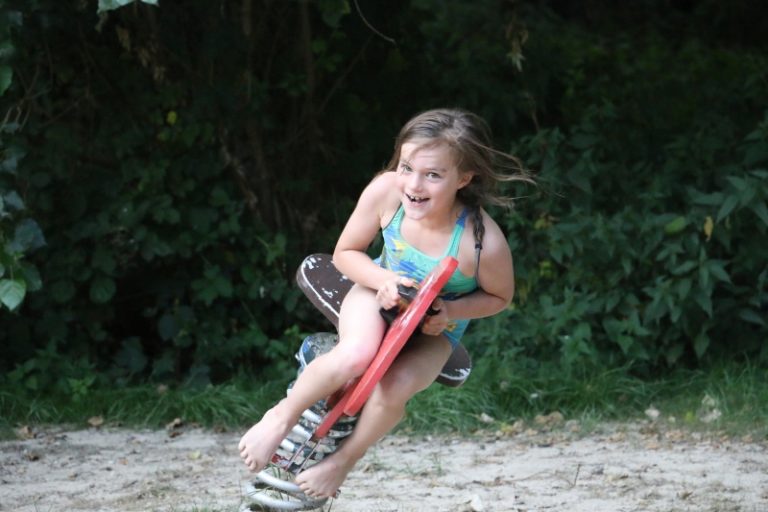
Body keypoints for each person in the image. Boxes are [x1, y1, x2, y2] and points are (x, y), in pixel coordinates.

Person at [239, 108, 531, 498]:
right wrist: (384, 280)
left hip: (435, 328)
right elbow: (345, 253)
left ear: (464, 178)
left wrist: (451, 311)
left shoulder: (481, 244)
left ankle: (343, 461)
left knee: (396, 387)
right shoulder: (386, 192)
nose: (414, 184)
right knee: (356, 354)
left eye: (433, 175)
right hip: (375, 291)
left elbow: (500, 297)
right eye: (406, 167)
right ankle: (280, 417)